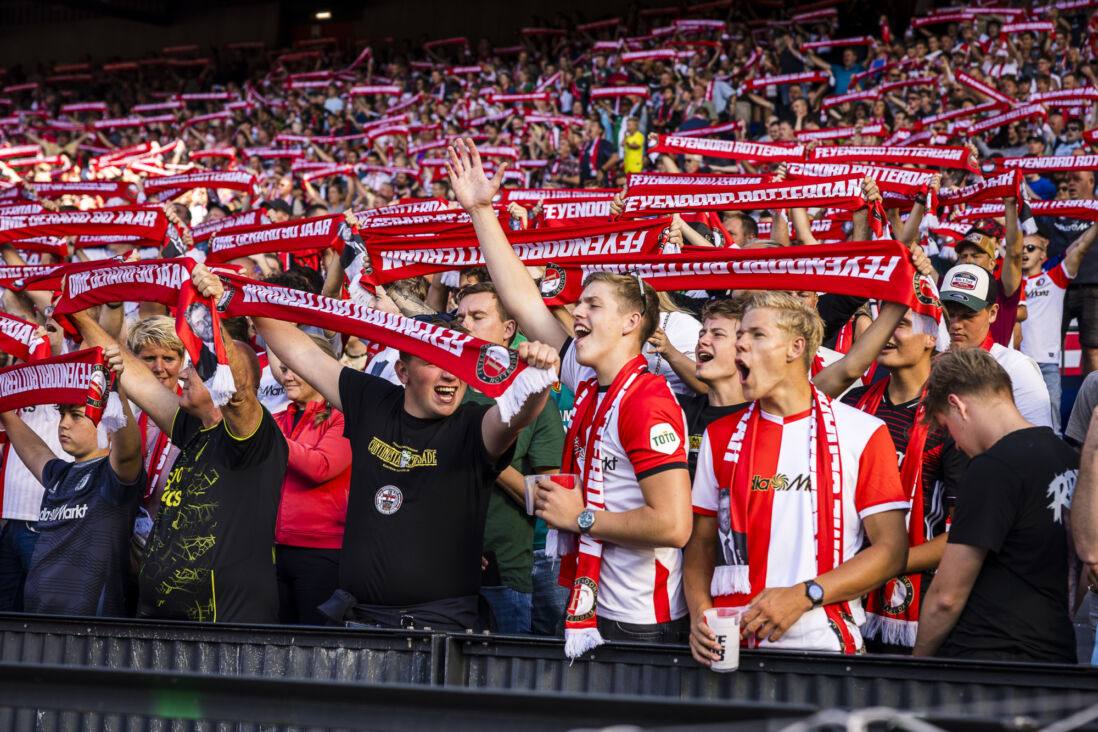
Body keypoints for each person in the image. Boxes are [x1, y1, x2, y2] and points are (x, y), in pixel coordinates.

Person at [450, 138, 693, 646]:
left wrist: (581, 517)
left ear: (632, 322)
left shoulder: (645, 400)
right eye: (578, 305)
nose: (576, 313)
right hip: (591, 605)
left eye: (592, 306)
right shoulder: (589, 383)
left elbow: (673, 524)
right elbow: (522, 296)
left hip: (639, 622)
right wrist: (481, 212)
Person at [253, 308, 559, 630]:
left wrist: (538, 378)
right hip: (361, 622)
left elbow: (517, 416)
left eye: (456, 363)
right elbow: (302, 353)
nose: (449, 375)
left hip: (442, 631)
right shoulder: (374, 402)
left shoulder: (473, 425)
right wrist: (242, 300)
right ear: (402, 371)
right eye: (432, 362)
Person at [686, 292, 909, 660]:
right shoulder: (719, 435)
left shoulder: (863, 432)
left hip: (823, 647)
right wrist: (699, 614)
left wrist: (806, 594)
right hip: (730, 649)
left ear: (795, 347)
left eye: (756, 335)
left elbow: (891, 551)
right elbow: (701, 546)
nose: (740, 343)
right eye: (739, 334)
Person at [69, 265, 289, 623]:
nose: (183, 372)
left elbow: (238, 389)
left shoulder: (252, 437)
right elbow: (136, 376)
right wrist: (78, 316)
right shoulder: (194, 427)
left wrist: (208, 315)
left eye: (197, 368)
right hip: (160, 621)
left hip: (223, 630)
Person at [913, 348, 1077, 663]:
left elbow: (946, 597)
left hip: (988, 657)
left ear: (957, 405)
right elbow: (1078, 573)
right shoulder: (1067, 458)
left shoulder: (993, 466)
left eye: (947, 430)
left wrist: (918, 666)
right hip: (1056, 651)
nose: (957, 444)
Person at [841, 306, 964, 653]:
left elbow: (960, 535)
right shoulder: (851, 404)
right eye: (884, 323)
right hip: (843, 593)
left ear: (931, 338)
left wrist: (877, 563)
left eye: (902, 325)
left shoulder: (949, 418)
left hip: (916, 602)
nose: (889, 333)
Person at [452, 282, 565, 634]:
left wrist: (485, 452)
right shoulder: (439, 386)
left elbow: (551, 497)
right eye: (459, 317)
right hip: (441, 570)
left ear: (509, 329)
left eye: (477, 316)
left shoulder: (533, 393)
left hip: (505, 574)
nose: (465, 325)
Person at [0, 345, 144, 616]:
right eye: (62, 414)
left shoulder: (114, 478)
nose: (64, 424)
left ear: (109, 427)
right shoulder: (59, 476)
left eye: (76, 415)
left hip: (89, 631)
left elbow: (129, 452)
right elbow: (33, 449)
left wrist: (117, 393)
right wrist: (5, 411)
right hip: (39, 621)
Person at [273, 334, 352, 625]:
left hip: (323, 553)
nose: (287, 376)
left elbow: (321, 466)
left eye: (295, 368)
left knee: (316, 649)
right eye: (283, 369)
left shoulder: (344, 417)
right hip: (277, 549)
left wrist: (271, 439)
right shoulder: (279, 419)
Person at [939, 264, 1053, 428]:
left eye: (967, 316)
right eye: (949, 314)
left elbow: (1038, 441)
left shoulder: (1016, 367)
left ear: (992, 313)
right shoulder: (929, 362)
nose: (955, 324)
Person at [1020, 223, 1098, 432]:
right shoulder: (1009, 281)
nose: (1024, 252)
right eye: (1021, 248)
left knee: (1052, 426)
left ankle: (1056, 464)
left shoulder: (1054, 277)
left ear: (1043, 253)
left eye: (1030, 248)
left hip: (1047, 365)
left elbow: (1080, 247)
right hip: (1017, 363)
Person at [1043, 170, 1098, 376]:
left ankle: (1093, 404)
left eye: (1077, 179)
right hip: (1057, 289)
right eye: (1068, 180)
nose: (1071, 184)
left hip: (1092, 288)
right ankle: (1046, 401)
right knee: (1048, 348)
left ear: (1091, 181)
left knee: (1092, 350)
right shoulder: (1056, 211)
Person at [953, 209, 1023, 348]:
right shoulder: (949, 288)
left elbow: (1014, 254)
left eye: (976, 255)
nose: (968, 260)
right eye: (963, 256)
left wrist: (1010, 205)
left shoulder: (1003, 290)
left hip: (994, 366)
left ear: (992, 263)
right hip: (957, 366)